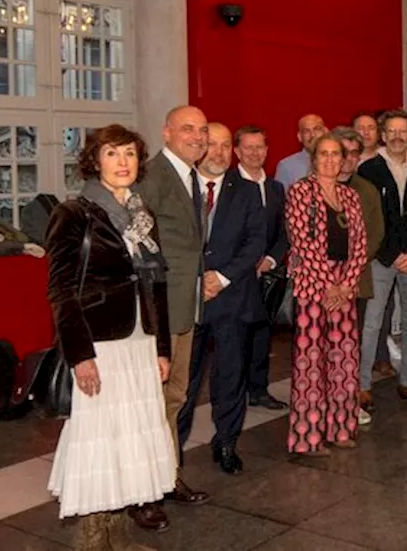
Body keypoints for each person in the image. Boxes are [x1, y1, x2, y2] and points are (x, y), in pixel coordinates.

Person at [46, 124, 174, 550]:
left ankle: (121, 531)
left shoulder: (142, 213)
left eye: (130, 154)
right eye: (113, 154)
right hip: (99, 343)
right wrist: (79, 355)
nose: (123, 163)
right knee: (100, 437)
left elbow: (157, 284)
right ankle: (95, 537)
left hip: (138, 340)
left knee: (134, 434)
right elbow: (61, 291)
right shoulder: (74, 213)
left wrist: (161, 346)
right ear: (94, 161)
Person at [133, 106, 211, 530]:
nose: (197, 137)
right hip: (160, 312)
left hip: (187, 305)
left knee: (176, 398)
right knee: (153, 403)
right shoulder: (153, 176)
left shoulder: (190, 176)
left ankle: (168, 475)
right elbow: (142, 248)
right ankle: (145, 493)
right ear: (166, 132)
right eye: (188, 129)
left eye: (202, 130)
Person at [175, 123, 267, 476]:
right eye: (211, 144)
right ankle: (175, 445)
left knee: (230, 376)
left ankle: (226, 441)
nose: (217, 152)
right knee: (186, 378)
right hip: (189, 298)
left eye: (225, 145)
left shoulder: (246, 190)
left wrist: (222, 277)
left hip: (232, 296)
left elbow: (255, 241)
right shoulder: (180, 187)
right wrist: (198, 278)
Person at [285, 134, 369, 455]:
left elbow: (360, 243)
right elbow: (301, 242)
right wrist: (328, 284)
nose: (331, 160)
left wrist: (346, 284)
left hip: (345, 286)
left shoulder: (350, 196)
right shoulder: (301, 192)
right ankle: (309, 438)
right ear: (313, 158)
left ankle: (341, 428)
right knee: (311, 363)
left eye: (337, 154)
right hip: (313, 286)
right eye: (325, 154)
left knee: (344, 362)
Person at [357, 110, 407, 408]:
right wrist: (390, 255)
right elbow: (366, 221)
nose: (397, 136)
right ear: (382, 134)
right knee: (371, 323)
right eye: (391, 131)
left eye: (403, 131)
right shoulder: (369, 170)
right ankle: (362, 385)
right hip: (381, 260)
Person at [233, 126, 290, 412]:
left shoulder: (276, 188)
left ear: (266, 151)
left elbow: (283, 232)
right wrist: (245, 264)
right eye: (248, 147)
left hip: (267, 275)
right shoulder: (229, 185)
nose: (254, 153)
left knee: (262, 334)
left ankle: (258, 389)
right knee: (235, 337)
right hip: (237, 275)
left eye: (259, 147)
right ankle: (233, 392)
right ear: (237, 152)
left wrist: (270, 259)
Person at [333, 127, 383, 426]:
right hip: (321, 284)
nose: (349, 160)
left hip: (356, 282)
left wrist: (350, 272)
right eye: (343, 152)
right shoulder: (312, 187)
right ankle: (324, 402)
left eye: (355, 153)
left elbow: (375, 234)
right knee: (325, 347)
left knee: (351, 345)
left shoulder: (366, 189)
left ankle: (349, 401)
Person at [276, 114, 327, 189]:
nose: (312, 135)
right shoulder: (286, 166)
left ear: (325, 132)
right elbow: (280, 199)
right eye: (306, 131)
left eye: (317, 129)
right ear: (299, 137)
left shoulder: (336, 161)